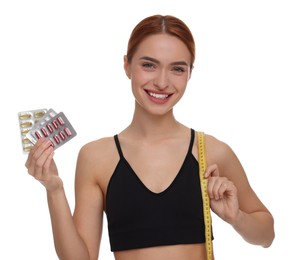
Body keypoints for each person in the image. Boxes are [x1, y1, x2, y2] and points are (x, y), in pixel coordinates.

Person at [25, 14, 275, 260]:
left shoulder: (210, 151)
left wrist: (236, 218)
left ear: (189, 74)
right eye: (148, 65)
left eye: (177, 69)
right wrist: (54, 190)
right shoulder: (97, 157)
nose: (162, 82)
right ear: (127, 65)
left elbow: (267, 235)